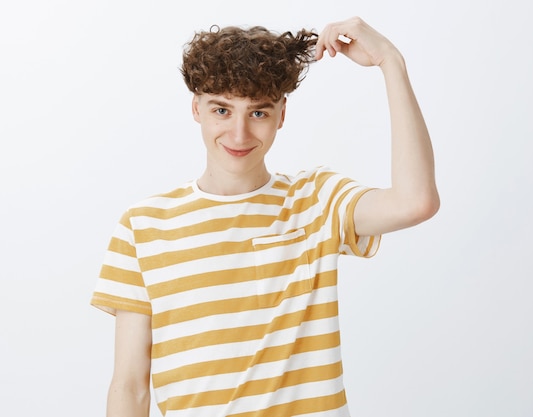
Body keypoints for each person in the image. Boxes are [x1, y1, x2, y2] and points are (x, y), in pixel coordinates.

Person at [91, 16, 439, 417]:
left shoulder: (315, 201)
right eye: (222, 110)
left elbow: (416, 202)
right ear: (196, 109)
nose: (239, 135)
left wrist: (390, 62)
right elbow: (130, 387)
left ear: (282, 115)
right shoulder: (143, 225)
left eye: (258, 113)